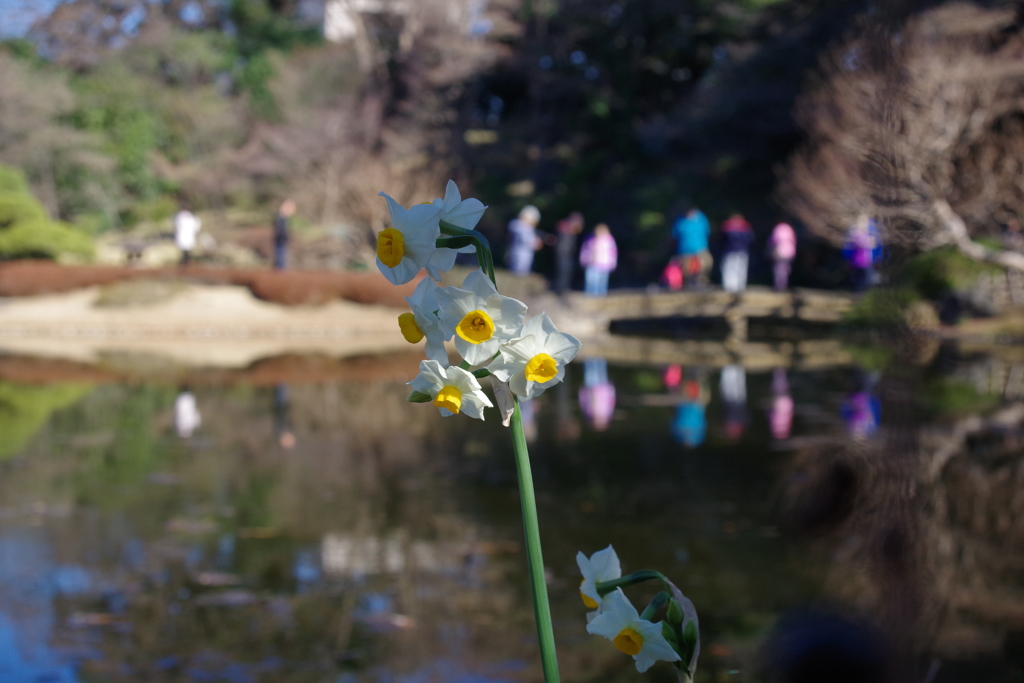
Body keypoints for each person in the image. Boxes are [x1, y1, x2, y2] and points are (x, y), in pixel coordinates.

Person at [672, 207, 711, 287]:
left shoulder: (701, 219)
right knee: (686, 270)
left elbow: (707, 232)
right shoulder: (680, 221)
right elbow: (674, 236)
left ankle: (701, 282)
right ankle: (688, 286)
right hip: (685, 250)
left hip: (700, 248)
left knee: (706, 264)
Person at [843, 214, 882, 291]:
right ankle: (859, 294)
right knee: (861, 279)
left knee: (866, 279)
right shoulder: (855, 234)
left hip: (867, 260)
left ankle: (861, 295)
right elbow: (854, 245)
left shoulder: (872, 232)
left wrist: (878, 258)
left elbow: (876, 246)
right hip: (859, 260)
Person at [579, 224, 618, 296]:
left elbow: (613, 253)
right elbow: (585, 250)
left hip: (604, 264)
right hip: (591, 263)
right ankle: (590, 296)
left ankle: (600, 297)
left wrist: (613, 263)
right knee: (590, 281)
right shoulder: (590, 238)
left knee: (602, 282)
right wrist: (583, 259)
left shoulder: (609, 240)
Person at [720, 214, 753, 293]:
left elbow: (722, 240)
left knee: (730, 268)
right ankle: (739, 286)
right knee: (740, 269)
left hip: (730, 250)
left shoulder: (727, 226)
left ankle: (730, 286)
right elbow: (751, 239)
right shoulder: (746, 227)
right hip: (742, 251)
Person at [506, 205, 542, 275]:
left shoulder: (517, 226)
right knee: (519, 274)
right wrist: (537, 243)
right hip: (521, 256)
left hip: (519, 254)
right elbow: (529, 241)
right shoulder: (523, 227)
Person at [554, 211, 584, 294]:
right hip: (564, 254)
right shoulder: (566, 230)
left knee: (566, 272)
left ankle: (564, 289)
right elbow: (563, 245)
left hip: (566, 254)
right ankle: (561, 290)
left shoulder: (568, 230)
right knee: (564, 272)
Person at [768, 221, 797, 291]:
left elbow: (773, 241)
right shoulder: (790, 229)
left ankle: (779, 285)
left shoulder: (778, 229)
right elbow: (793, 241)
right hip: (790, 253)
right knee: (786, 269)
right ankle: (784, 284)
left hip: (780, 252)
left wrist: (770, 249)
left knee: (779, 269)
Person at [273, 199, 296, 270]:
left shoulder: (283, 218)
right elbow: (280, 230)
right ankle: (280, 268)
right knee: (280, 253)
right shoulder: (281, 218)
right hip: (280, 238)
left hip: (282, 238)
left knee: (281, 253)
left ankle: (281, 268)